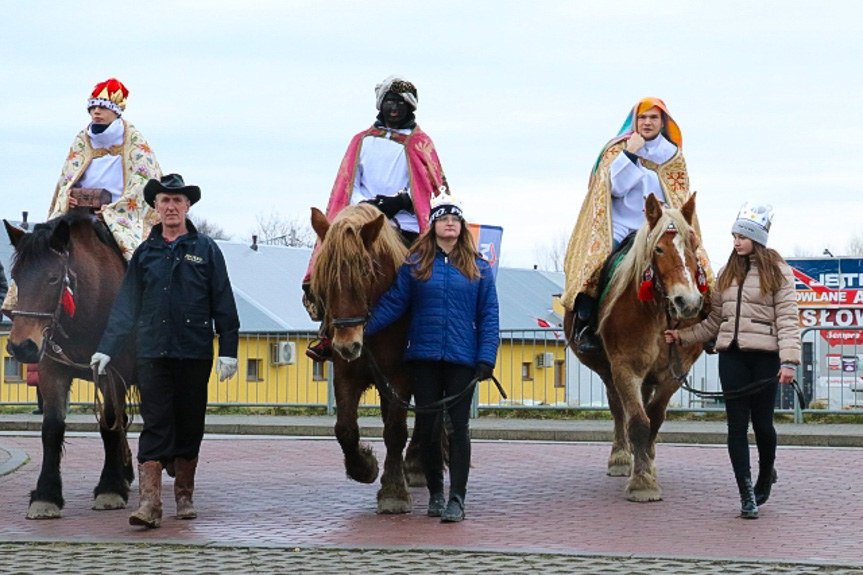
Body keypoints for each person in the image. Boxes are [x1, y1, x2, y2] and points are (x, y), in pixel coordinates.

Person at [90, 174, 240, 529]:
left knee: (189, 424)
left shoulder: (206, 250)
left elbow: (224, 303)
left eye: (177, 201)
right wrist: (107, 348)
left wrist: (229, 349)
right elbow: (126, 306)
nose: (171, 207)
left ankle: (184, 495)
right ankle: (149, 503)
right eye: (164, 201)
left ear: (187, 207)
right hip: (152, 353)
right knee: (154, 424)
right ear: (155, 208)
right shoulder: (145, 253)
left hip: (194, 352)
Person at [364, 194, 500, 523]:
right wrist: (362, 328)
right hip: (423, 356)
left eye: (454, 218)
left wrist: (487, 358)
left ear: (461, 226)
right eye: (442, 218)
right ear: (433, 226)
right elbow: (395, 302)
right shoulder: (415, 264)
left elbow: (489, 315)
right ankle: (436, 494)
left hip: (462, 359)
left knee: (458, 428)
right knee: (426, 428)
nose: (449, 223)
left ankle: (457, 498)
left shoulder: (479, 268)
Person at [664, 203, 800, 519]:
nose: (736, 242)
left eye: (742, 236)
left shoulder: (779, 272)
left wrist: (789, 362)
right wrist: (682, 337)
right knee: (736, 427)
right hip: (732, 358)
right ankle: (746, 492)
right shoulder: (727, 274)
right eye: (734, 236)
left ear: (758, 239)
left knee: (763, 425)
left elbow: (789, 320)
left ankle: (766, 473)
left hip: (765, 360)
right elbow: (714, 321)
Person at [303, 74, 449, 361]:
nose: (393, 108)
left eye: (399, 103)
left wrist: (402, 200)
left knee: (426, 275)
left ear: (410, 107)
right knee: (333, 264)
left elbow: (431, 186)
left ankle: (426, 337)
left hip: (406, 222)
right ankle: (325, 332)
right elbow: (349, 182)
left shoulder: (421, 143)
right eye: (388, 102)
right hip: (361, 218)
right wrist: (368, 206)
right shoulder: (361, 141)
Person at [563, 97, 711, 352]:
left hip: (660, 228)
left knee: (697, 265)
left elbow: (678, 198)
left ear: (663, 121)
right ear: (635, 121)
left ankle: (707, 324)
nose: (647, 122)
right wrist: (630, 154)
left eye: (653, 117)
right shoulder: (617, 150)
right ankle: (585, 326)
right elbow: (616, 188)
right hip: (621, 226)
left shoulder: (672, 156)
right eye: (642, 118)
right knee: (595, 265)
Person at [1, 78, 161, 314]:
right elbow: (67, 178)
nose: (96, 112)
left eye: (103, 107)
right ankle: (20, 304)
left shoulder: (134, 141)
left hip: (119, 215)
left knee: (139, 256)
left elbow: (143, 181)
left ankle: (151, 307)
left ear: (116, 112)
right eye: (92, 107)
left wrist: (112, 209)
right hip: (78, 215)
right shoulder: (82, 140)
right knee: (40, 249)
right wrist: (69, 200)